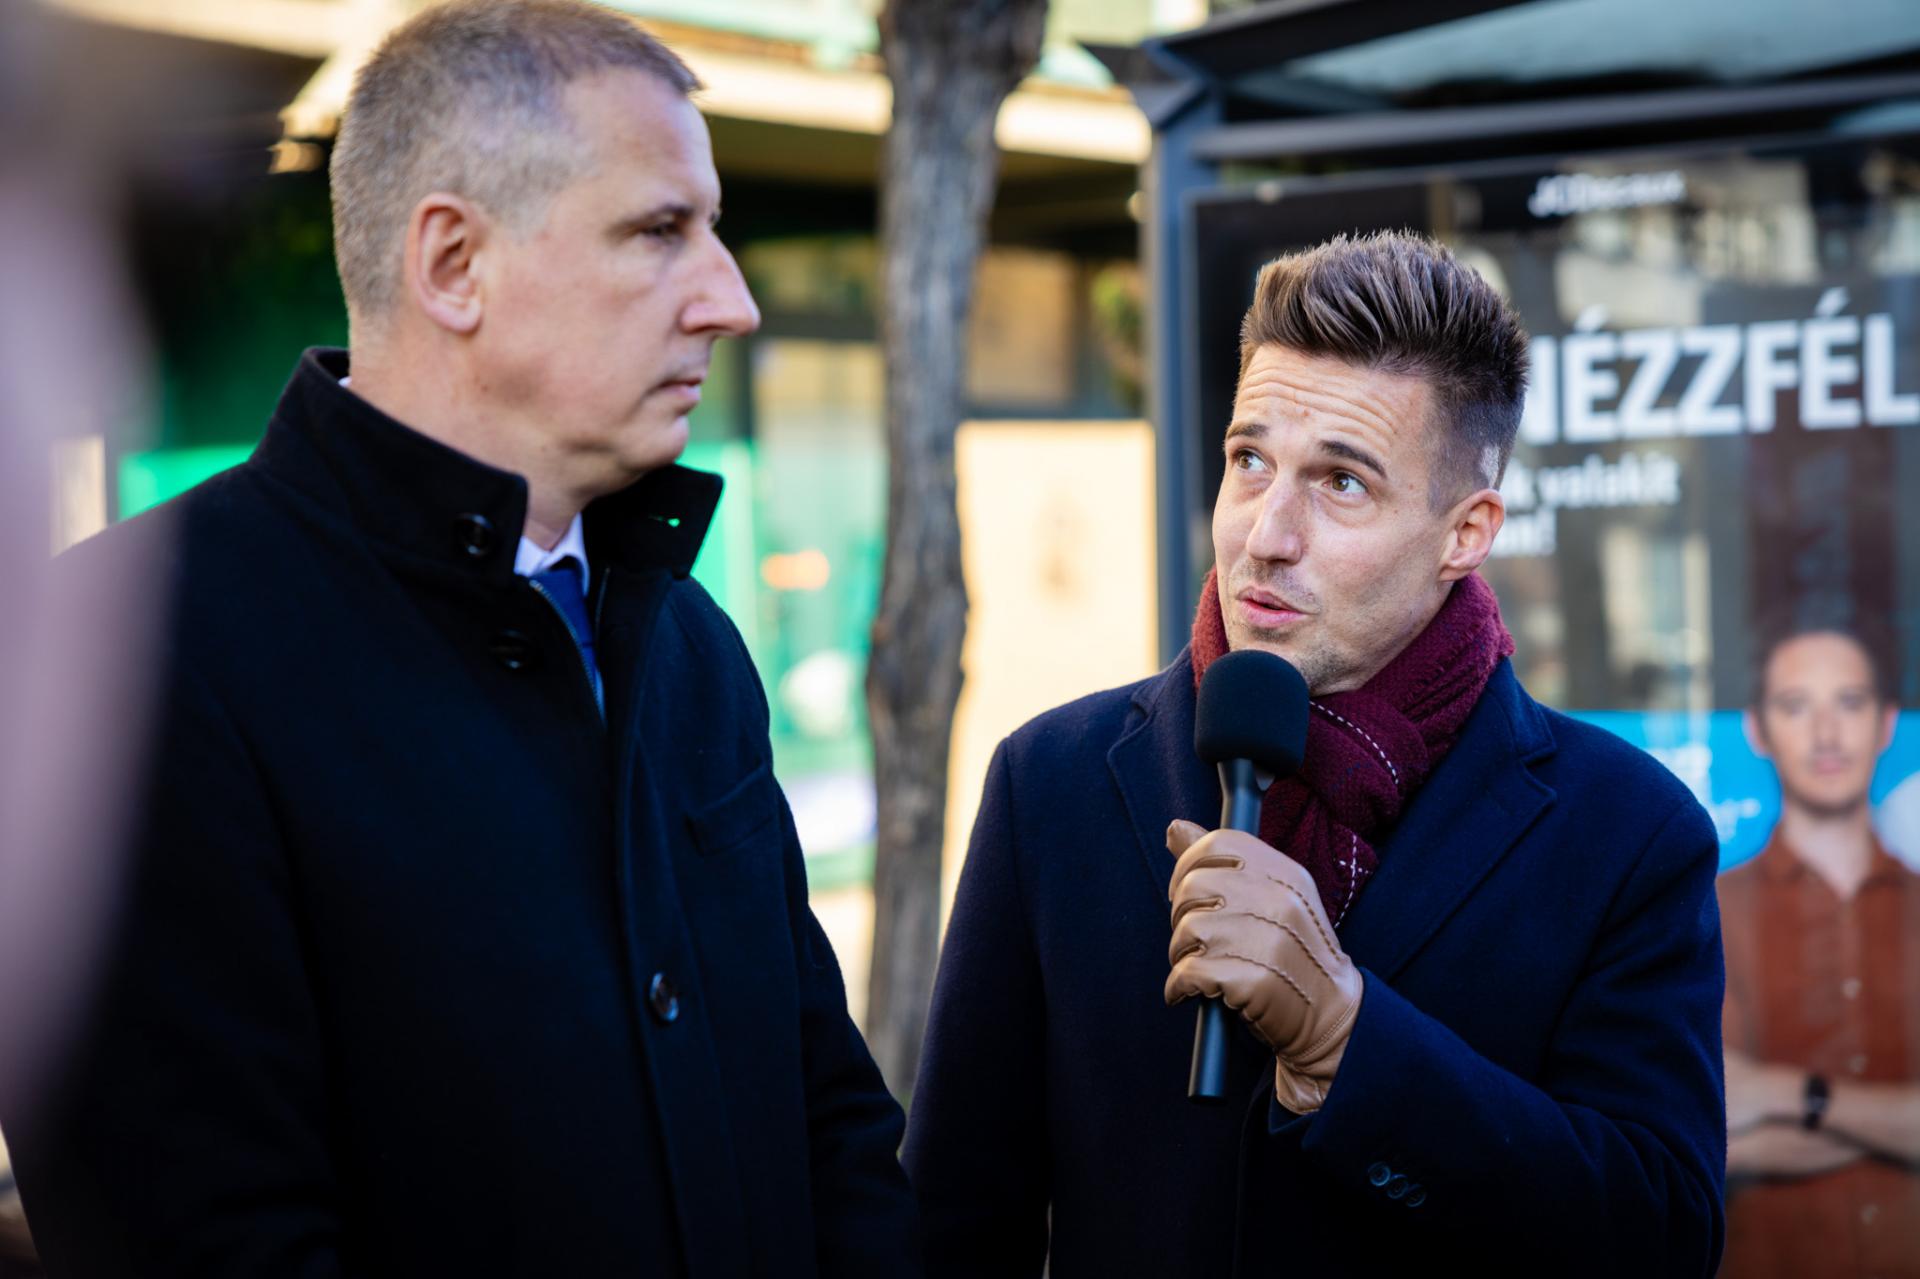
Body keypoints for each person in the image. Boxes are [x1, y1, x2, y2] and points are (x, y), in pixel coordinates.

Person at [0, 3, 920, 1276]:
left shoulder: (687, 639)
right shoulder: (148, 655)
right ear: (452, 264)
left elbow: (832, 1121)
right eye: (660, 231)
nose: (733, 300)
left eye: (714, 231)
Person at [903, 231, 1726, 1277]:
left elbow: (1665, 1232)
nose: (1266, 534)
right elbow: (956, 1219)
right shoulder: (1052, 780)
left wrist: (1349, 1038)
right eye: (1250, 461)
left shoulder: (1628, 831)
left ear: (1466, 533)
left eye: (1341, 482)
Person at [1718, 623, 1920, 1278]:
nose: (1827, 734)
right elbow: (1704, 1135)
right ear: (1758, 729)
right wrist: (1896, 1121)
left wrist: (1788, 1094)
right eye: (1796, 705)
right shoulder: (1705, 911)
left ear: (1887, 723)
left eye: (1850, 702)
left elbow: (1743, 1112)